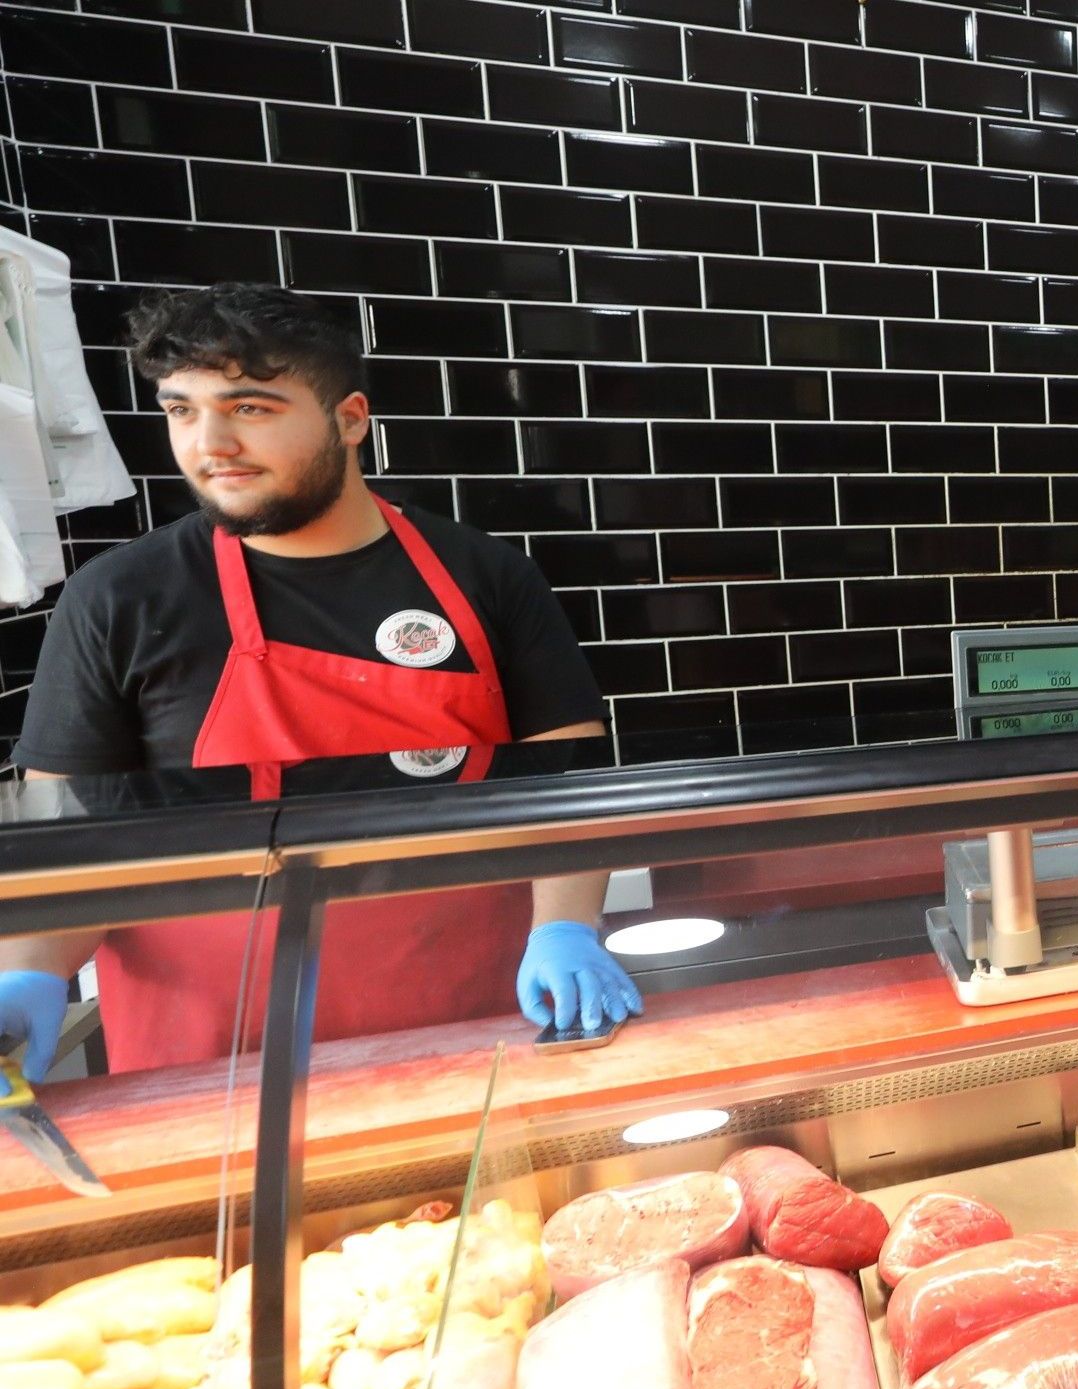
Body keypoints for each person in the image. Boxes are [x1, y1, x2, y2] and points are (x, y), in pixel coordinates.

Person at [0, 283, 641, 1078]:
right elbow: (67, 840)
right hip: (211, 1056)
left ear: (350, 419)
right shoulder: (118, 599)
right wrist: (30, 967)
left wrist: (566, 927)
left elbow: (569, 787)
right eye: (182, 411)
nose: (210, 444)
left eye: (251, 408)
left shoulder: (485, 576)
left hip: (470, 1019)